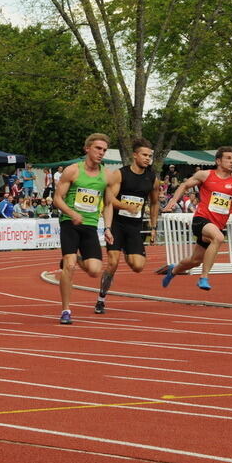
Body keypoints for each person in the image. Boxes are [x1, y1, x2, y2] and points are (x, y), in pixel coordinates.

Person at [162, 146, 232, 290]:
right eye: (228, 158)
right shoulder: (205, 175)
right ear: (218, 161)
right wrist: (173, 201)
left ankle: (173, 270)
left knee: (195, 260)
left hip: (217, 224)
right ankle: (203, 277)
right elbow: (184, 185)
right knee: (219, 238)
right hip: (201, 219)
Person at [95, 137, 159, 314]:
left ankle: (127, 250)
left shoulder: (152, 178)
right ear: (135, 155)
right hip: (117, 224)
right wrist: (125, 206)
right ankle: (101, 298)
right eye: (144, 155)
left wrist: (153, 227)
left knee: (137, 266)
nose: (147, 159)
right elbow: (108, 199)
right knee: (113, 264)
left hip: (135, 227)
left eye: (150, 156)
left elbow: (154, 203)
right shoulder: (120, 174)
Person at [54, 133, 113, 325]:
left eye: (104, 150)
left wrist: (108, 228)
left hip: (90, 226)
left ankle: (76, 259)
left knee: (94, 271)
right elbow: (57, 199)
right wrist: (72, 213)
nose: (101, 153)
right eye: (98, 148)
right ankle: (66, 310)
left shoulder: (106, 175)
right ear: (87, 148)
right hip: (69, 223)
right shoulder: (73, 171)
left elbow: (109, 204)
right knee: (69, 265)